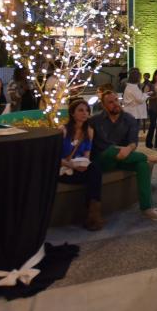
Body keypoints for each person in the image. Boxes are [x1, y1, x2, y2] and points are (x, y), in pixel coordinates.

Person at [90, 90, 157, 221]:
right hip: (103, 160)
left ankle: (147, 208)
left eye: (116, 100)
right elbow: (101, 145)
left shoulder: (128, 119)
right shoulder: (95, 120)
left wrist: (128, 149)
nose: (115, 104)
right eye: (110, 102)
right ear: (103, 105)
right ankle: (153, 158)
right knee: (110, 150)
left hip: (125, 157)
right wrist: (120, 150)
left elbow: (133, 142)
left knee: (142, 165)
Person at [59, 99, 104, 231]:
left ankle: (93, 214)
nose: (85, 113)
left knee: (94, 169)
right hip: (65, 169)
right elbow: (55, 157)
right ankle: (93, 216)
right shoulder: (63, 130)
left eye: (87, 110)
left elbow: (86, 156)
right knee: (94, 177)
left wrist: (84, 165)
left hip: (79, 168)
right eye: (80, 110)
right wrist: (72, 166)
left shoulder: (89, 131)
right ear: (72, 113)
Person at [122, 68, 149, 133]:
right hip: (134, 113)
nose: (140, 79)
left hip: (132, 112)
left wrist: (145, 94)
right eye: (140, 78)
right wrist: (146, 94)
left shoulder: (130, 86)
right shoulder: (133, 87)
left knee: (132, 132)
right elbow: (140, 100)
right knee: (134, 133)